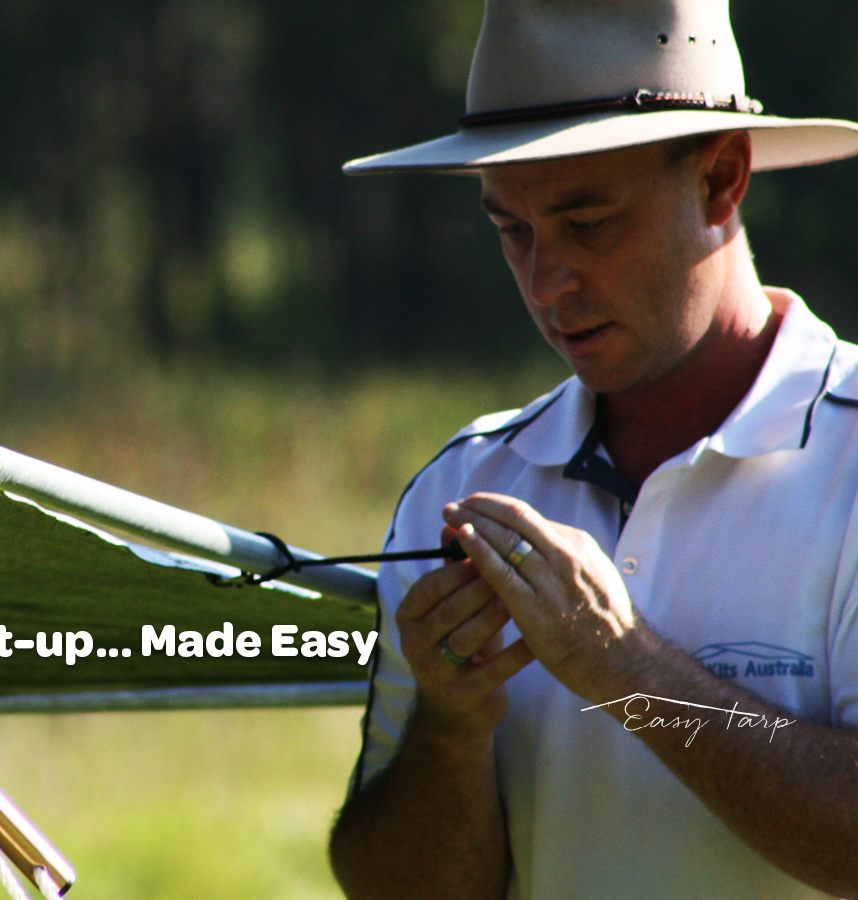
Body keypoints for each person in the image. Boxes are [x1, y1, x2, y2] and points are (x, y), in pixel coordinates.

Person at [325, 1, 858, 897]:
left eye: (587, 222)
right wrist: (449, 731)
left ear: (722, 181)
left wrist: (626, 668)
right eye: (512, 230)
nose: (545, 280)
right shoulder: (462, 481)